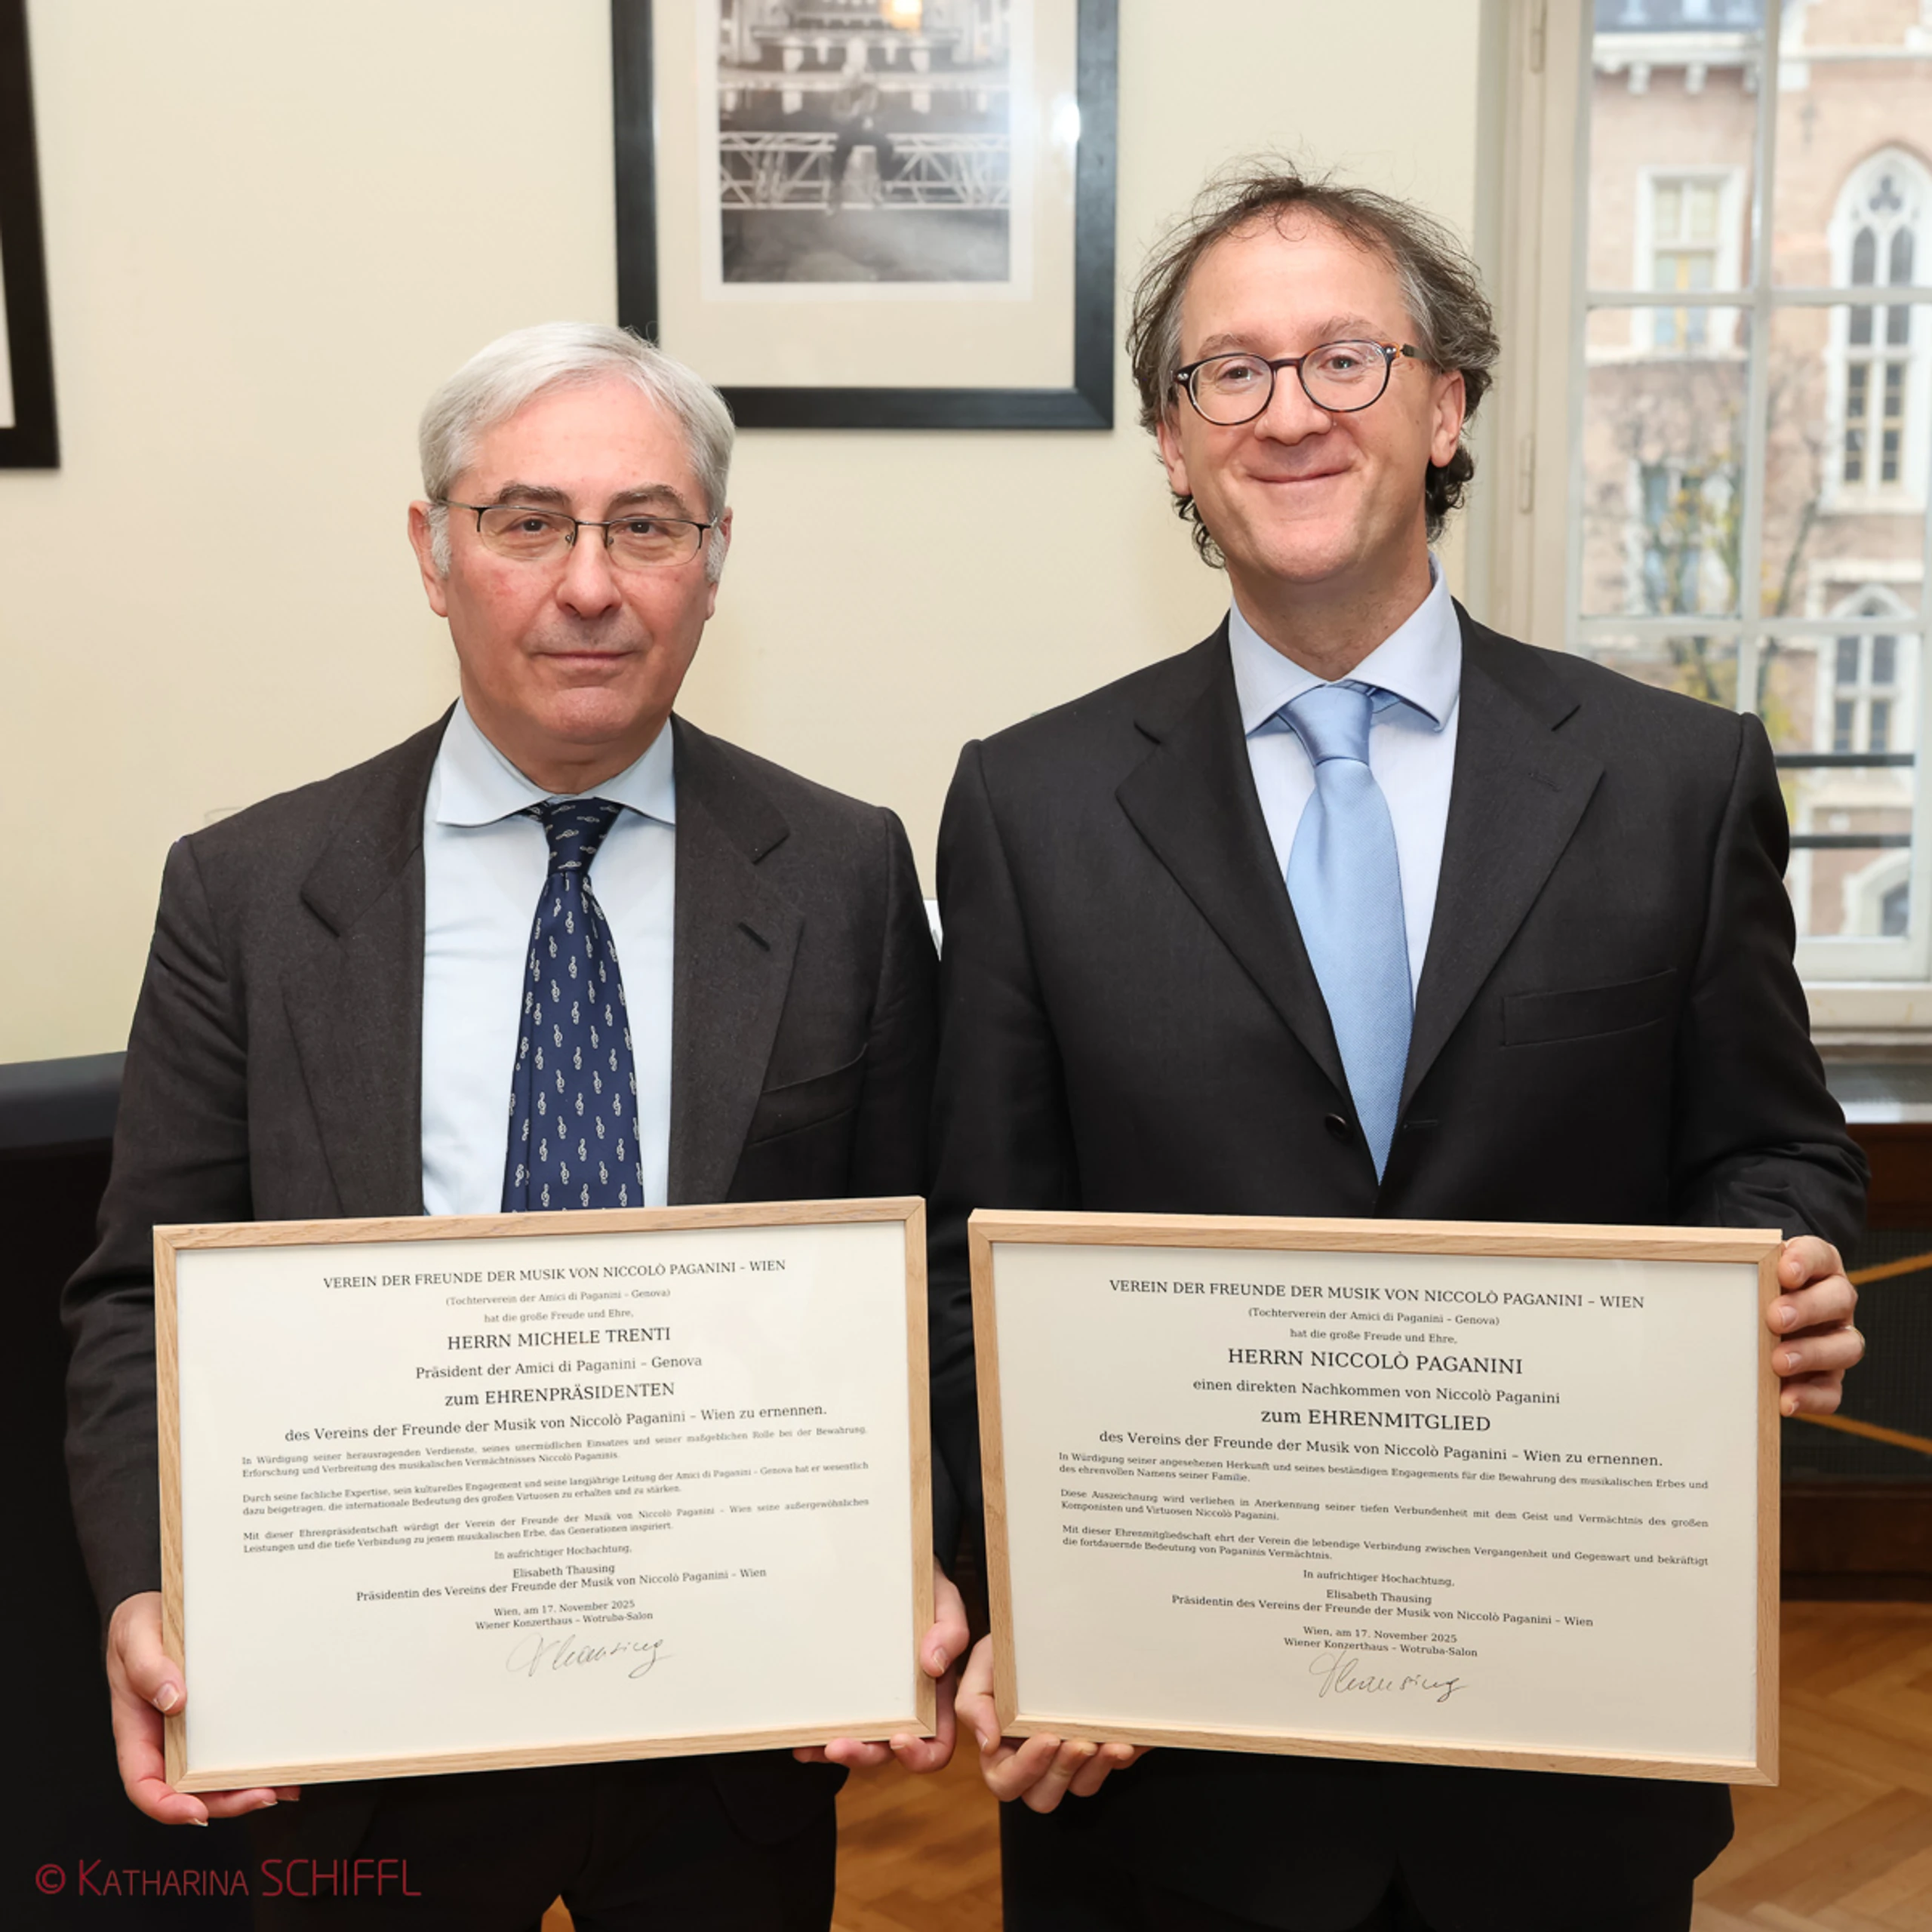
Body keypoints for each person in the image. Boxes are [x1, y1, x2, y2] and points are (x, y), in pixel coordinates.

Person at [929, 166, 1869, 1932]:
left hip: (1561, 1760)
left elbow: (1771, 1146)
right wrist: (1029, 1602)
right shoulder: (1026, 807)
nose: (1288, 411)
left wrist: (1780, 1255)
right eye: (1230, 371)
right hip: (1167, 1774)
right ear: (1170, 443)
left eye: (1344, 358)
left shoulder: (1671, 783)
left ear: (1443, 406)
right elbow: (970, 1264)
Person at [62, 322, 964, 1930]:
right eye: (528, 521)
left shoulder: (844, 877)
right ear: (432, 551)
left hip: (736, 1728)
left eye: (646, 526)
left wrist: (919, 1555)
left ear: (714, 558)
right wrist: (145, 1581)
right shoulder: (249, 894)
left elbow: (919, 1288)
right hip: (364, 1726)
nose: (589, 584)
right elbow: (136, 1296)